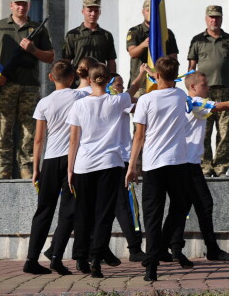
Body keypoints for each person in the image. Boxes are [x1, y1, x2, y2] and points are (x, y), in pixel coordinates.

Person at [165, 70, 229, 263]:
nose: (208, 88)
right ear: (192, 87)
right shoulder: (196, 103)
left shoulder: (183, 102)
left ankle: (170, 246)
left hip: (185, 162)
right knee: (202, 204)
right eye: (204, 85)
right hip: (187, 164)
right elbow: (228, 105)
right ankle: (205, 249)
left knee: (181, 206)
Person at [66, 62, 146, 278]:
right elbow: (133, 89)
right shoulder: (116, 101)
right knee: (104, 214)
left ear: (89, 79)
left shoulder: (79, 105)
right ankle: (96, 260)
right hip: (109, 164)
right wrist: (140, 74)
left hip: (84, 164)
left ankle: (81, 256)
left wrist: (70, 169)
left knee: (83, 212)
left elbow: (73, 140)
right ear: (109, 80)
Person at [126, 56, 192, 282]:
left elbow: (139, 136)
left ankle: (152, 264)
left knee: (152, 215)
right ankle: (162, 247)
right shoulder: (180, 95)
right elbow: (166, 80)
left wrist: (132, 165)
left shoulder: (146, 100)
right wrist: (155, 73)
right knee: (180, 206)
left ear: (158, 76)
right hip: (177, 163)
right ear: (175, 76)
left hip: (153, 164)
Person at [23, 60, 82, 275]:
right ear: (72, 78)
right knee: (68, 210)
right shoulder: (79, 96)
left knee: (44, 210)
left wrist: (36, 167)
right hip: (72, 159)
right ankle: (56, 257)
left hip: (49, 160)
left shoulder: (44, 102)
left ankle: (31, 259)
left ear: (51, 77)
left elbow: (38, 139)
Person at [0, 0, 54, 179]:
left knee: (29, 129)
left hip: (30, 85)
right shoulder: (0, 26)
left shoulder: (37, 29)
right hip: (5, 85)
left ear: (29, 6)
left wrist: (33, 49)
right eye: (18, 3)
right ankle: (3, 169)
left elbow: (50, 57)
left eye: (25, 4)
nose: (21, 7)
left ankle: (26, 168)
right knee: (3, 128)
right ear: (11, 5)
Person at [187, 5, 229, 177]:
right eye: (211, 17)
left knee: (225, 132)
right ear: (206, 18)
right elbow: (191, 67)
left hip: (225, 91)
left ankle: (221, 167)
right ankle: (205, 167)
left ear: (222, 18)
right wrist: (190, 91)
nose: (214, 20)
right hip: (204, 92)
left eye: (217, 17)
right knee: (204, 131)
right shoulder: (198, 40)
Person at [105, 73, 146, 262]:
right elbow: (136, 104)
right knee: (126, 206)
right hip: (119, 159)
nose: (122, 88)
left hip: (103, 161)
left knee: (105, 207)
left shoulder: (100, 100)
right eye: (119, 85)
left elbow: (133, 100)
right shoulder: (116, 101)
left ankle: (96, 248)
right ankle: (134, 248)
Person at [126, 0, 179, 97]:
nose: (151, 13)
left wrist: (172, 80)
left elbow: (173, 58)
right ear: (143, 12)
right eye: (148, 10)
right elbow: (132, 53)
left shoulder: (167, 33)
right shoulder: (135, 31)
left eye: (154, 10)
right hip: (140, 85)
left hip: (162, 84)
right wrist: (143, 45)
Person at [62, 0, 117, 75]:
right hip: (78, 79)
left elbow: (111, 61)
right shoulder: (73, 35)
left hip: (99, 79)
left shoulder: (106, 35)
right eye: (90, 11)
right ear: (83, 11)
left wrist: (111, 79)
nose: (93, 14)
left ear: (100, 12)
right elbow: (67, 60)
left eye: (96, 11)